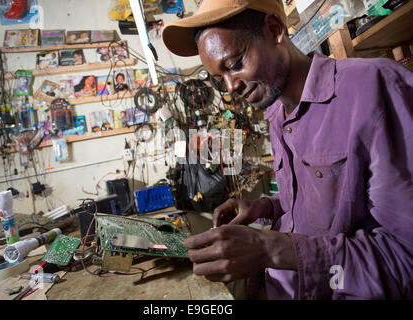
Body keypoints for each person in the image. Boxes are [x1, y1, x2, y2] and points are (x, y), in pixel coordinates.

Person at [162, 0, 413, 299]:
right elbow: (328, 194)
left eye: (234, 64)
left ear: (274, 29)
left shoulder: (373, 87)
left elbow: (406, 261)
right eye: (219, 80)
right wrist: (265, 207)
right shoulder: (277, 111)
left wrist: (272, 249)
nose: (230, 87)